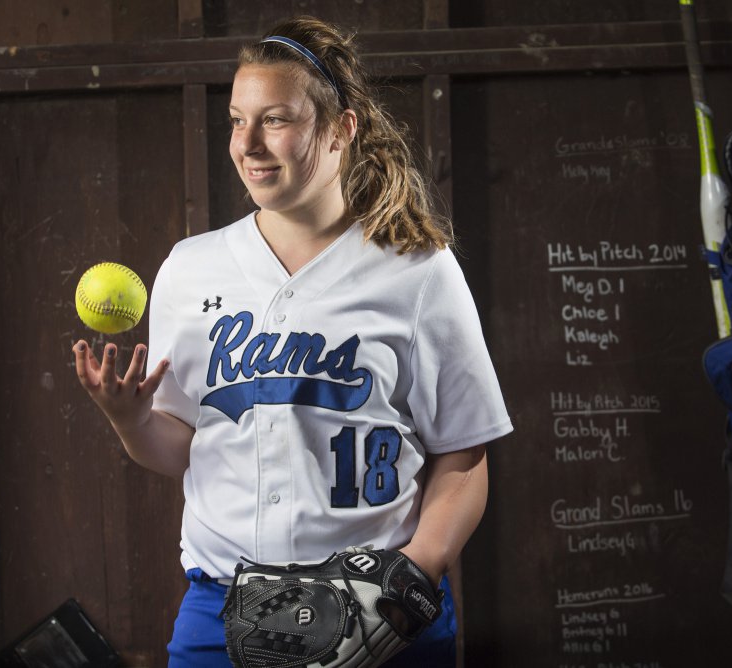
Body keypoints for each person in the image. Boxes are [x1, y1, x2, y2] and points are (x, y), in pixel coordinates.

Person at [72, 15, 512, 667]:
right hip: (222, 606)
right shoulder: (191, 270)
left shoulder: (417, 270)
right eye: (235, 120)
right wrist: (132, 419)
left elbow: (464, 456)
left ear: (341, 128)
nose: (248, 143)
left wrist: (415, 572)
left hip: (383, 608)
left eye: (275, 119)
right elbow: (178, 450)